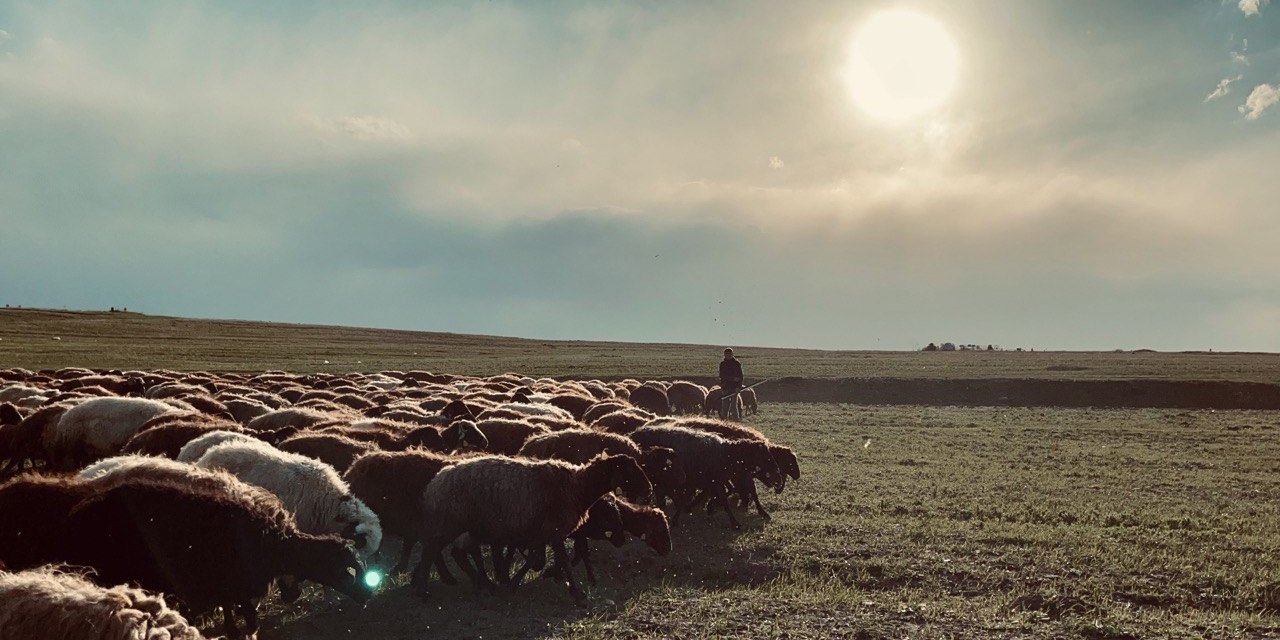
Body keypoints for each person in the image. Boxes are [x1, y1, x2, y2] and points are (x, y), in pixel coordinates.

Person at [719, 348, 744, 421]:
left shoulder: (736, 363)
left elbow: (740, 376)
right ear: (724, 355)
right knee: (725, 406)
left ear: (732, 354)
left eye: (730, 354)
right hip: (725, 387)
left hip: (734, 388)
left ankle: (736, 421)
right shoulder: (722, 364)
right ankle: (723, 422)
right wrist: (732, 379)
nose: (728, 355)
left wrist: (738, 387)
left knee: (733, 406)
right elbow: (722, 376)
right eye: (727, 354)